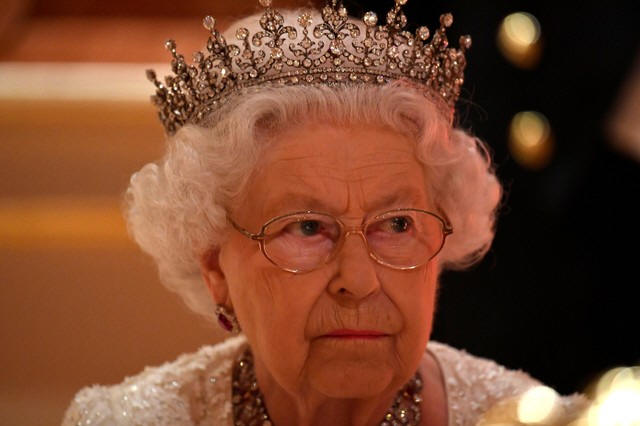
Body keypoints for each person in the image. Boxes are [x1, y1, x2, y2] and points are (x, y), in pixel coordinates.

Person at [62, 1, 588, 425]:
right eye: (307, 227)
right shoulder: (119, 421)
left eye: (398, 224)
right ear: (215, 267)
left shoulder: (526, 418)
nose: (358, 281)